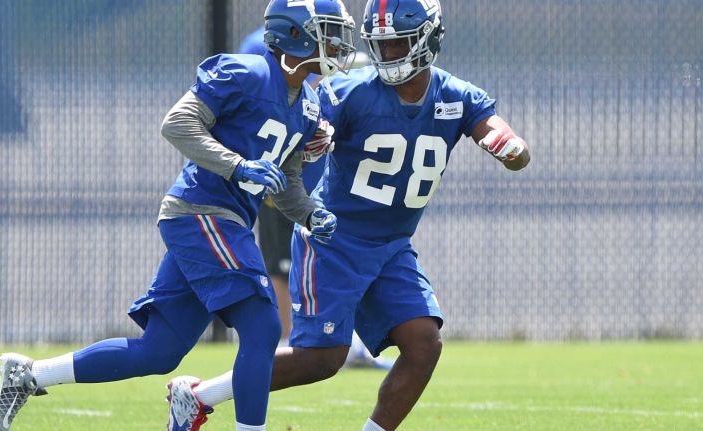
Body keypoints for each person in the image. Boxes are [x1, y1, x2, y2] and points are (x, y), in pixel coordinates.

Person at [0, 1, 356, 431]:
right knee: (261, 325)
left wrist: (311, 215)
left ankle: (29, 375)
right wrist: (237, 165)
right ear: (296, 34)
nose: (337, 44)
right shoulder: (246, 72)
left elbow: (287, 183)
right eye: (328, 32)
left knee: (159, 352)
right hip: (201, 211)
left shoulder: (309, 105)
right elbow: (178, 122)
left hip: (224, 220)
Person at [168, 0, 531, 430]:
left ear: (429, 38)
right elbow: (304, 123)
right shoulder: (352, 90)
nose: (390, 55)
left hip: (393, 246)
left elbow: (501, 135)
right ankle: (199, 395)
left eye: (400, 44)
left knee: (423, 344)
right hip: (335, 240)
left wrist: (509, 146)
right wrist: (310, 141)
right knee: (321, 359)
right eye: (383, 45)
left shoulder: (456, 95)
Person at [241, 25, 393, 368]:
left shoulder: (331, 38)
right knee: (280, 262)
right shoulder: (256, 45)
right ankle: (286, 336)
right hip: (279, 172)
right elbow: (264, 99)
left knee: (337, 255)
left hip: (323, 175)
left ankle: (347, 338)